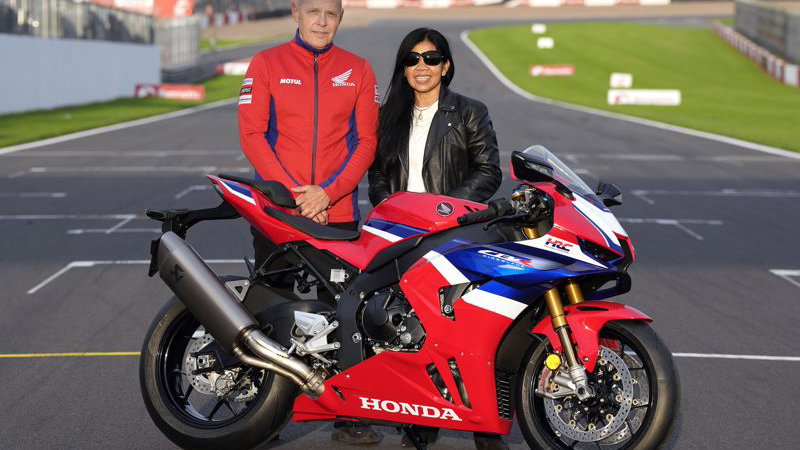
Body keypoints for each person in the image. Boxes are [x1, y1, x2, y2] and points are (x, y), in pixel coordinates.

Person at [238, 0, 382, 444]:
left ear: (341, 18)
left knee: (344, 313)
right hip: (280, 212)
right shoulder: (265, 63)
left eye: (331, 14)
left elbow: (366, 142)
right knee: (266, 309)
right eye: (314, 11)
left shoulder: (359, 69)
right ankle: (258, 415)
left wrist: (328, 193)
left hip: (336, 214)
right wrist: (294, 195)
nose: (322, 21)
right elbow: (252, 134)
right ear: (296, 13)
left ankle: (349, 415)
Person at [368, 28, 506, 450]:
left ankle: (485, 428)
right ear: (403, 68)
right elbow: (376, 173)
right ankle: (419, 421)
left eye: (430, 59)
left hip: (453, 235)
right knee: (410, 332)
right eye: (412, 60)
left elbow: (488, 171)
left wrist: (444, 211)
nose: (421, 67)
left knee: (470, 333)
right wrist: (390, 210)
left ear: (446, 65)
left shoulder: (469, 112)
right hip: (401, 236)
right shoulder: (388, 115)